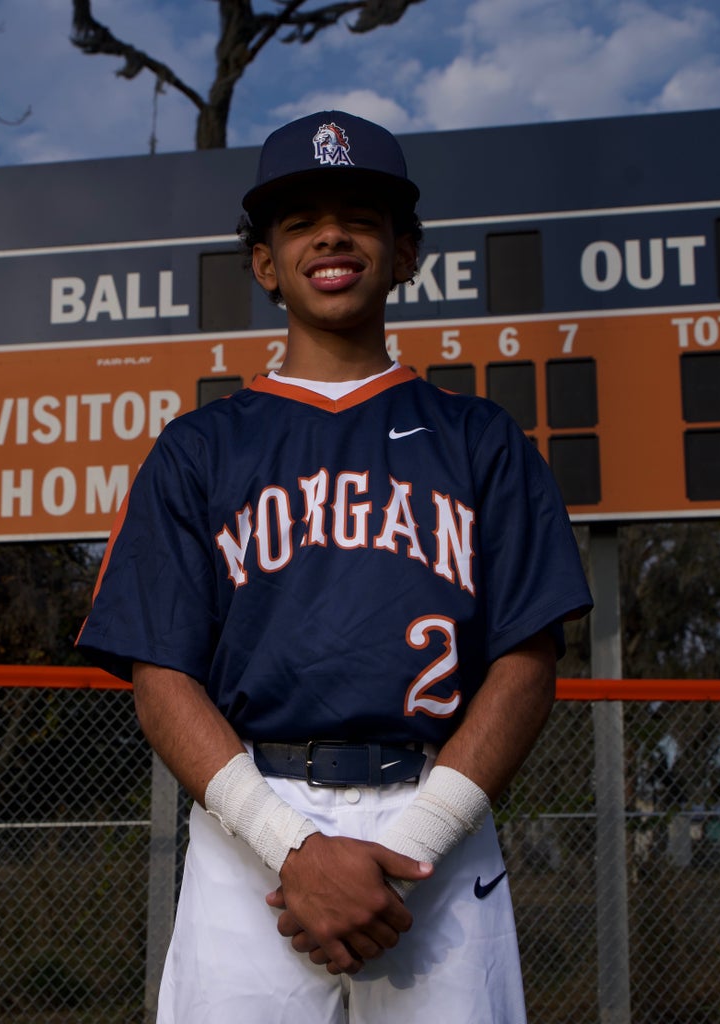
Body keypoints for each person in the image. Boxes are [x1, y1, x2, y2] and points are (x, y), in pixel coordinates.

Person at [77, 109, 593, 1023]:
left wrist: (412, 844)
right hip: (251, 830)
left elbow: (527, 663)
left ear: (405, 252)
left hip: (439, 823)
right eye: (300, 219)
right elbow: (162, 676)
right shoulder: (200, 449)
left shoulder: (482, 442)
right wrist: (291, 849)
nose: (331, 234)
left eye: (361, 214)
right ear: (266, 264)